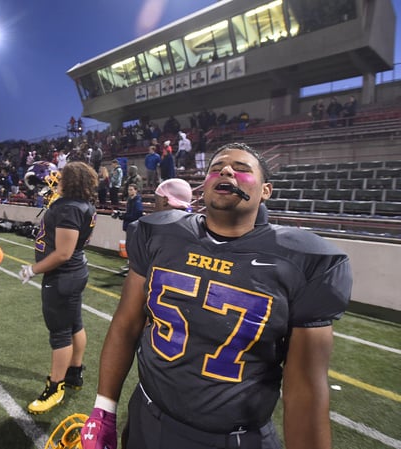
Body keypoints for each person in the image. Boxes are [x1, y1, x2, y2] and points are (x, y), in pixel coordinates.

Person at [80, 142, 352, 449]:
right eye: (216, 168)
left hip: (232, 439)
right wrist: (104, 409)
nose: (225, 170)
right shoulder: (159, 233)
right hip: (146, 418)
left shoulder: (302, 261)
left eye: (241, 169)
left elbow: (305, 387)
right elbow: (127, 323)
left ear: (265, 191)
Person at [18, 161, 98, 414]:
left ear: (70, 180)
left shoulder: (67, 208)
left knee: (60, 332)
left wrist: (33, 269)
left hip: (63, 275)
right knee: (75, 324)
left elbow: (63, 253)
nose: (57, 180)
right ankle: (74, 373)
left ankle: (55, 387)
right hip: (74, 272)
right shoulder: (83, 205)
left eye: (62, 177)